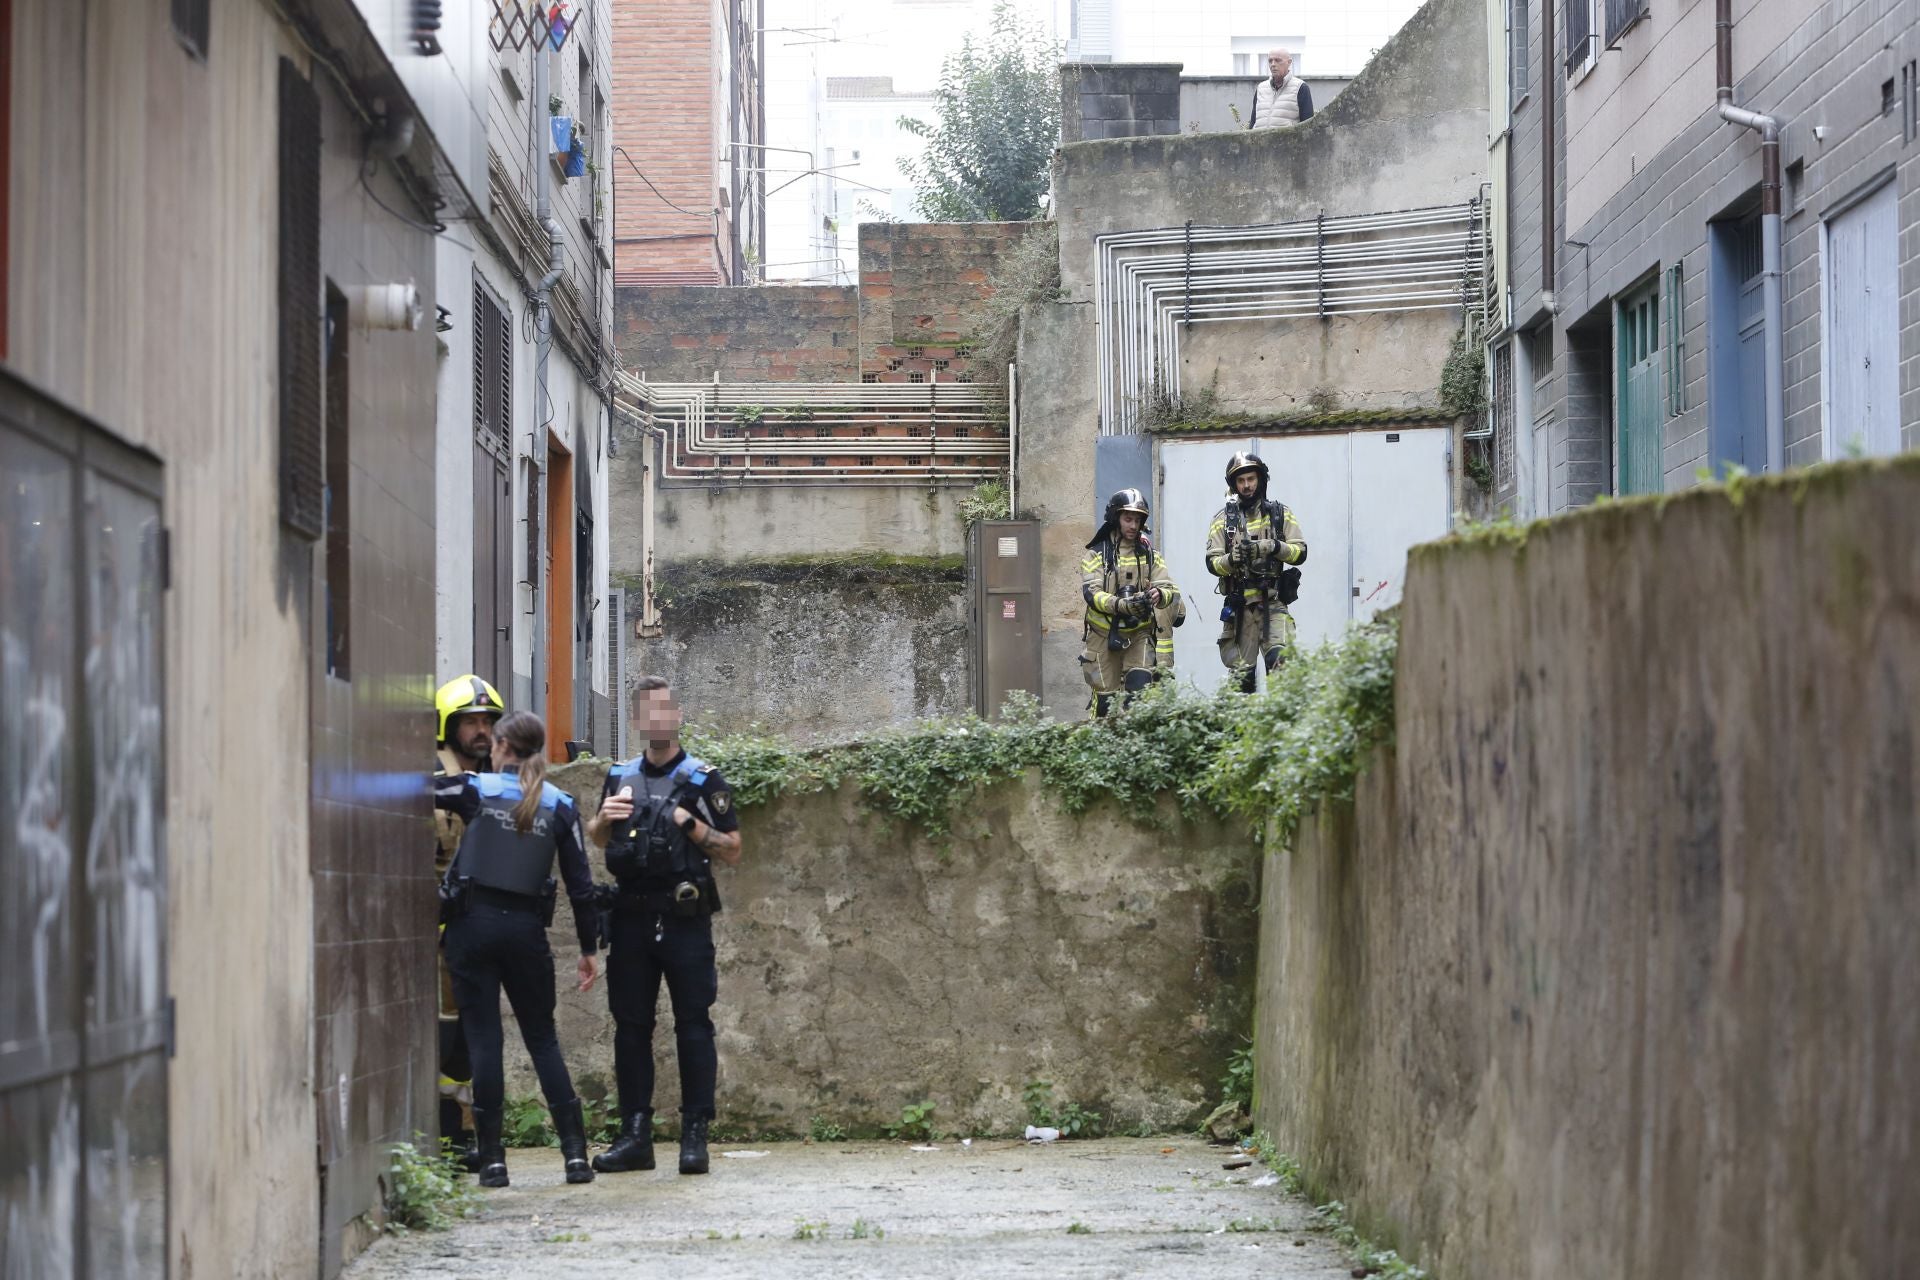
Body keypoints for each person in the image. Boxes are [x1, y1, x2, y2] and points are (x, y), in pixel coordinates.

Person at [434, 709, 601, 1188]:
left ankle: (493, 1162)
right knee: (543, 1040)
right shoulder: (561, 804)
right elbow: (581, 886)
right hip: (526, 933)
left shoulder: (473, 789)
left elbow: (410, 790)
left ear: (503, 746)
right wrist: (588, 948)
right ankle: (575, 1156)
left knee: (485, 1041)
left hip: (472, 928)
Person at [587, 677, 742, 1177]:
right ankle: (636, 1136)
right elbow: (597, 839)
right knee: (631, 1027)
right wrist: (601, 820)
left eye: (665, 709)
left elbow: (733, 849)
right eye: (648, 711)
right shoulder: (620, 776)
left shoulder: (703, 780)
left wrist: (688, 822)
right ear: (637, 720)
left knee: (693, 1024)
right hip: (630, 919)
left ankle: (695, 1137)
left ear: (676, 716)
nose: (658, 719)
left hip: (684, 919)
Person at [431, 675, 505, 1167]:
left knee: (472, 1035)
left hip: (484, 931)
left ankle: (462, 1133)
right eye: (470, 722)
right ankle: (443, 1134)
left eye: (487, 722)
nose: (481, 730)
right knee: (445, 1034)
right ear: (447, 726)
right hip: (439, 935)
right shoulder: (431, 780)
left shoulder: (500, 779)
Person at [1206, 453, 1307, 691]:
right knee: (1242, 682)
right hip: (1240, 610)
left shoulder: (1280, 514)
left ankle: (1280, 714)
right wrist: (1231, 559)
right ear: (1234, 485)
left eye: (1251, 479)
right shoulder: (1222, 520)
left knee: (1280, 663)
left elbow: (1300, 553)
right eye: (1241, 481)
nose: (1247, 485)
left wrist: (1273, 547)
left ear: (1260, 480)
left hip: (1273, 603)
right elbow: (1212, 563)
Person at [1079, 488, 1183, 718]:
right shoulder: (1096, 555)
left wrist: (1158, 594)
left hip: (1139, 635)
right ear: (1115, 518)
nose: (1133, 525)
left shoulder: (1151, 555)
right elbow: (1091, 593)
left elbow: (1169, 589)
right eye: (1128, 519)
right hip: (1103, 637)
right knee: (1106, 707)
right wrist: (1121, 605)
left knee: (1138, 696)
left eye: (1137, 520)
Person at [1248, 49, 1314, 130]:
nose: (1273, 64)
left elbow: (1308, 126)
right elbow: (1253, 123)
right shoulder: (1261, 88)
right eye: (1270, 61)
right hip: (1258, 138)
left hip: (1287, 138)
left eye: (1278, 60)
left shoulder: (1300, 87)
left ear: (1289, 62)